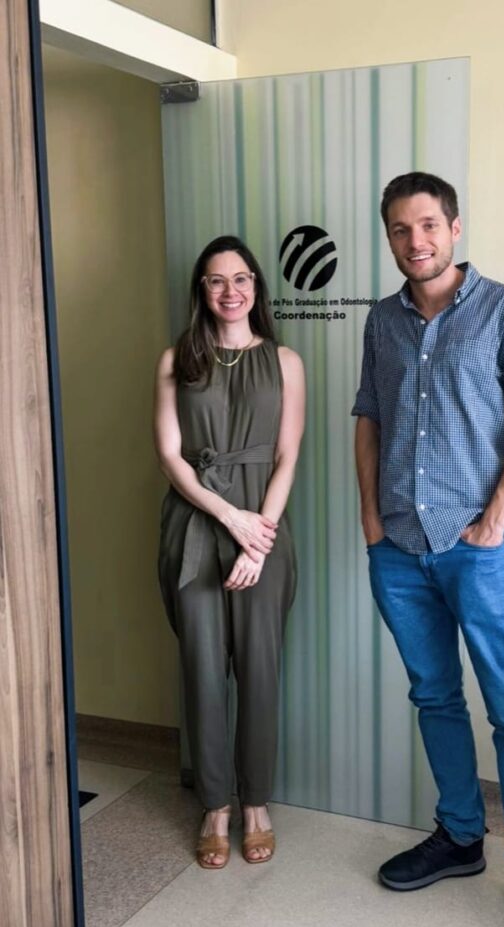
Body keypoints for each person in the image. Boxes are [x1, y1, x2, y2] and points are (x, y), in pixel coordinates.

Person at [352, 172, 504, 927]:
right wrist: (371, 522)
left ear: (454, 227)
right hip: (398, 551)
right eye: (400, 229)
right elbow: (368, 418)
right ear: (389, 237)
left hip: (478, 550)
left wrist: (494, 520)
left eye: (428, 225)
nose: (416, 241)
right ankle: (460, 836)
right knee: (434, 698)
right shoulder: (382, 321)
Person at [155, 235, 305, 869]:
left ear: (256, 286)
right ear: (202, 289)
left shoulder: (285, 361)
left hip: (263, 533)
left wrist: (258, 537)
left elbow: (287, 456)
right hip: (195, 526)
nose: (230, 291)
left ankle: (256, 805)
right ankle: (215, 806)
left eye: (240, 278)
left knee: (261, 668)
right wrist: (228, 517)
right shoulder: (176, 359)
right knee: (201, 667)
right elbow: (170, 455)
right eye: (216, 280)